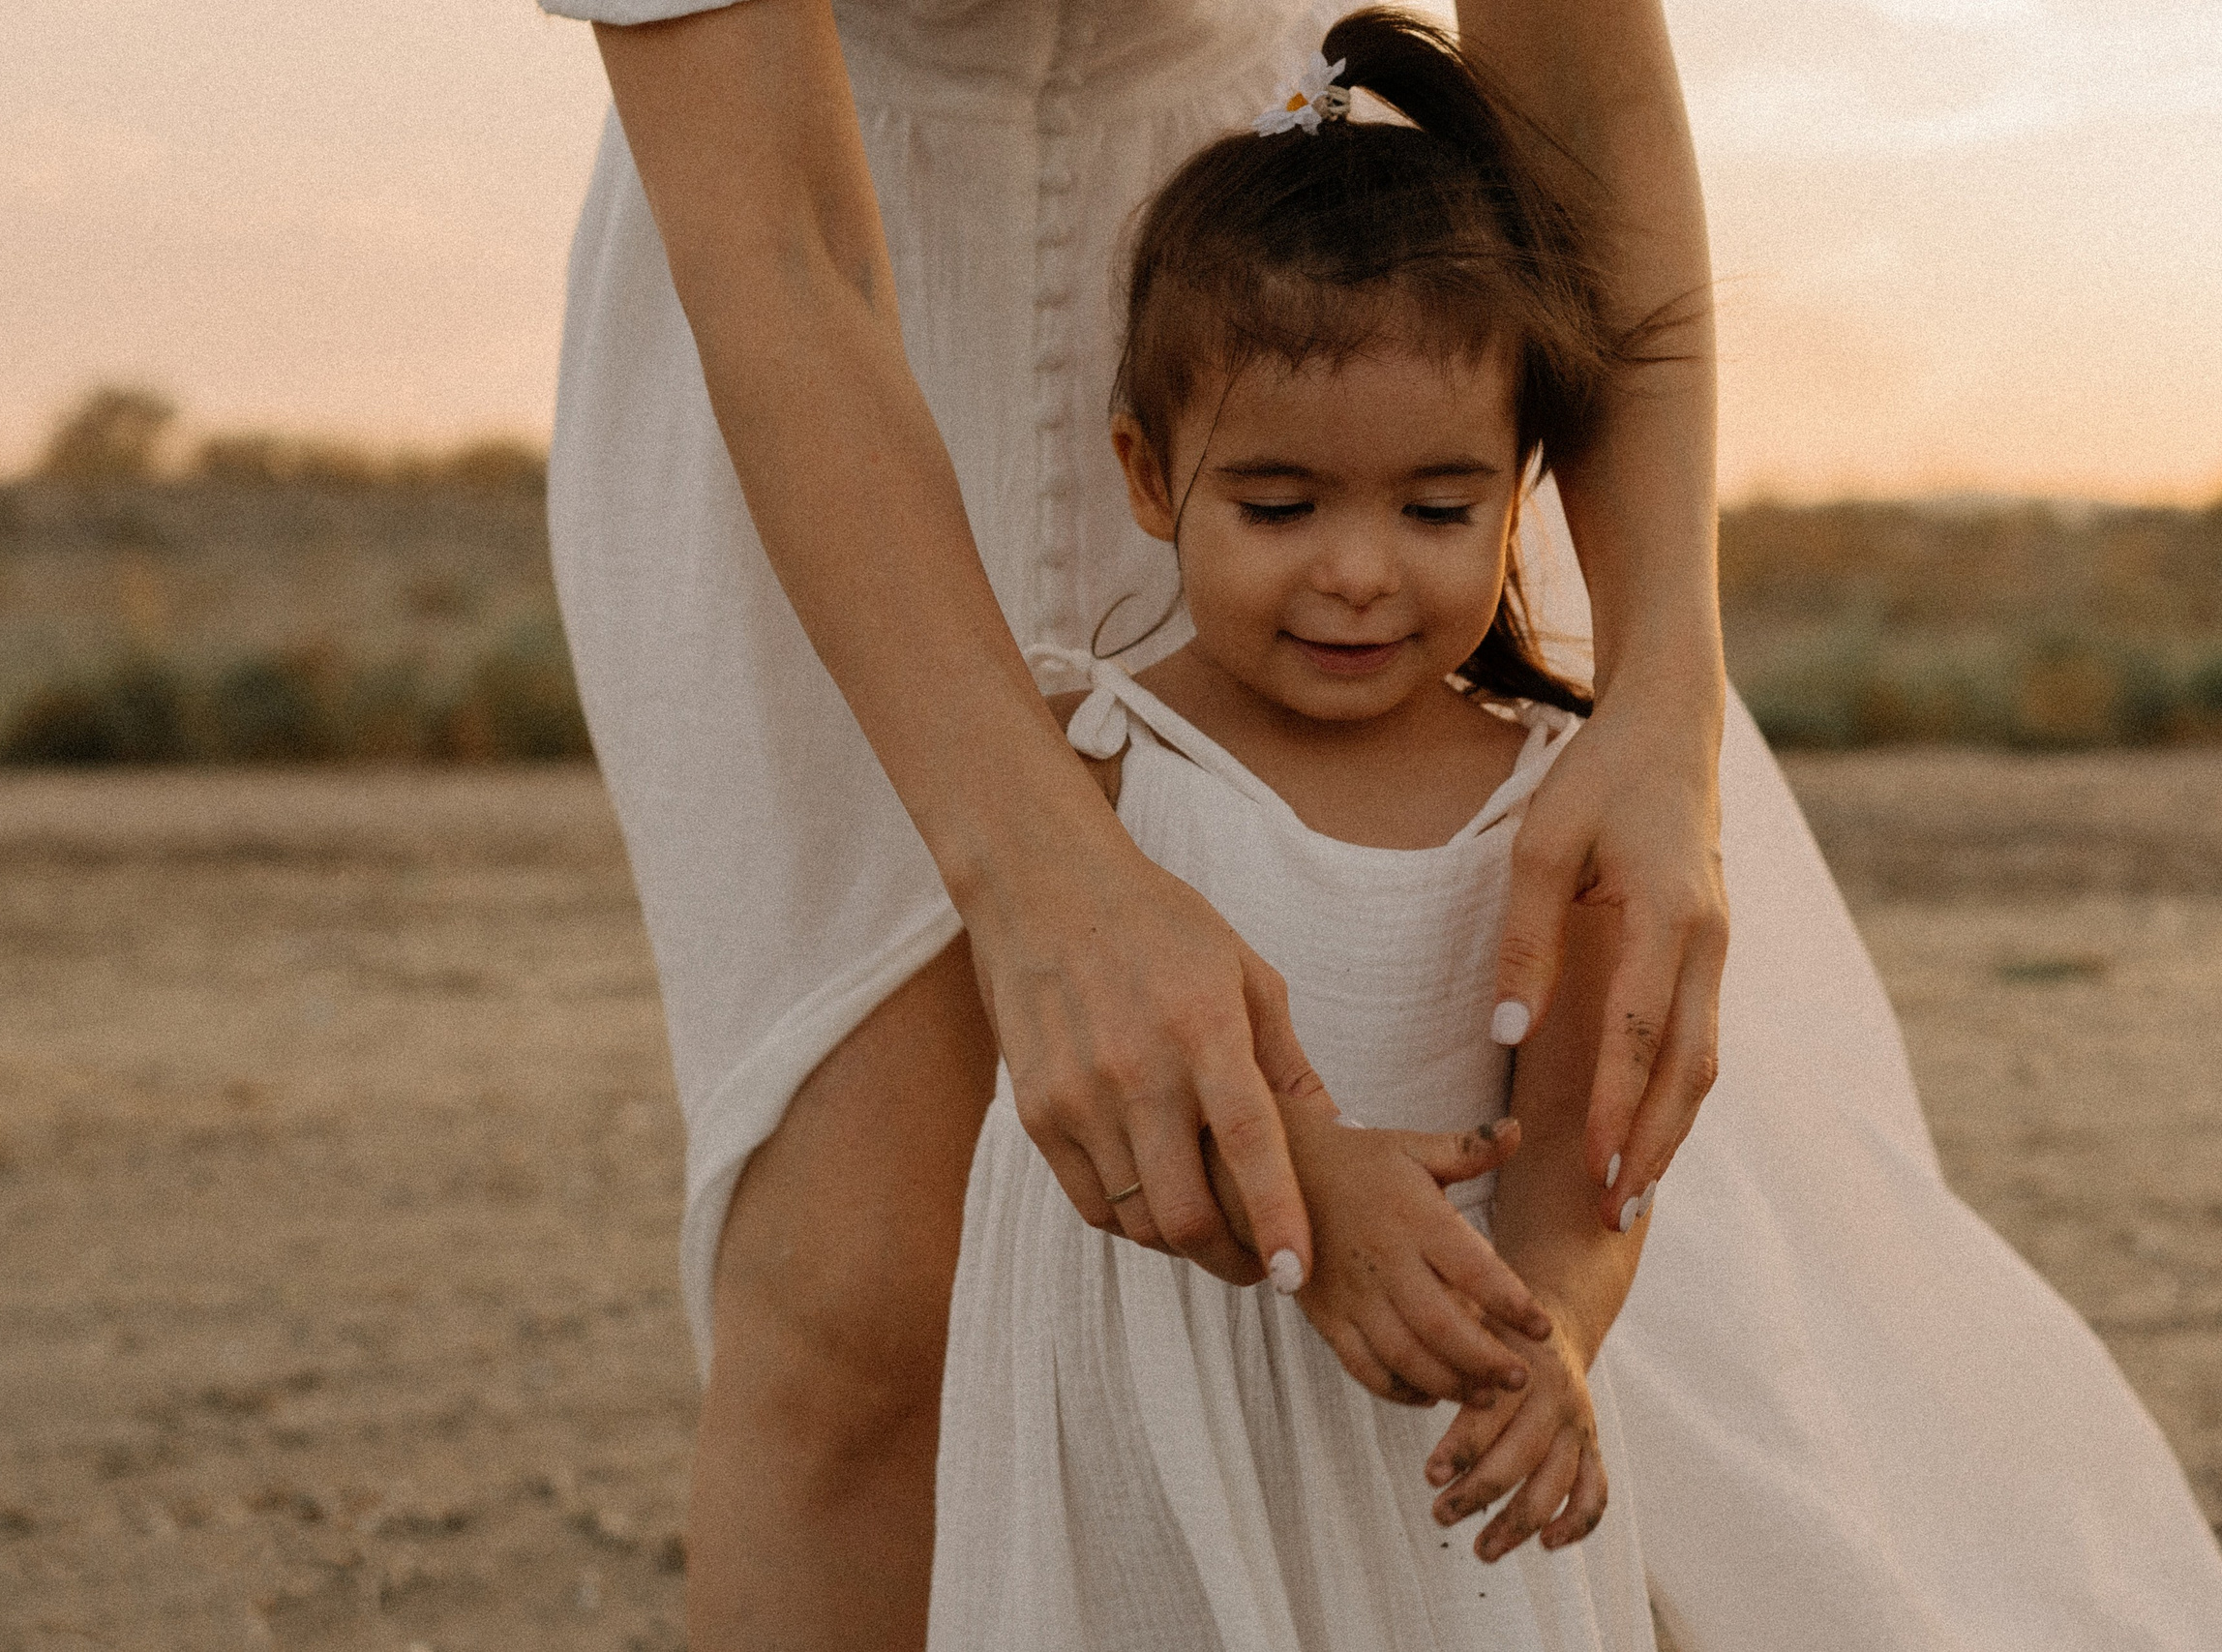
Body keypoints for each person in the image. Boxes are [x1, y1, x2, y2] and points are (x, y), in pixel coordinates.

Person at [540, 0, 2222, 1646]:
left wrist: (1661, 705)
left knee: (1707, 1322)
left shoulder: (1394, 495)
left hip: (1340, 306)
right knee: (857, 1304)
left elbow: (1590, 102)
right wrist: (1042, 881)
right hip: (812, 317)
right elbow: (778, 252)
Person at [933, 24, 1662, 1644]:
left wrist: (1552, 1336)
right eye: (1279, 507)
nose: (1356, 570)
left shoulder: (1551, 800)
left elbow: (1582, 1172)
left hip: (1429, 1423)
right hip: (1160, 1388)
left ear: (1518, 488)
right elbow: (1066, 1090)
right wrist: (1309, 1194)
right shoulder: (1100, 761)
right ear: (1147, 471)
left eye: (1434, 508)